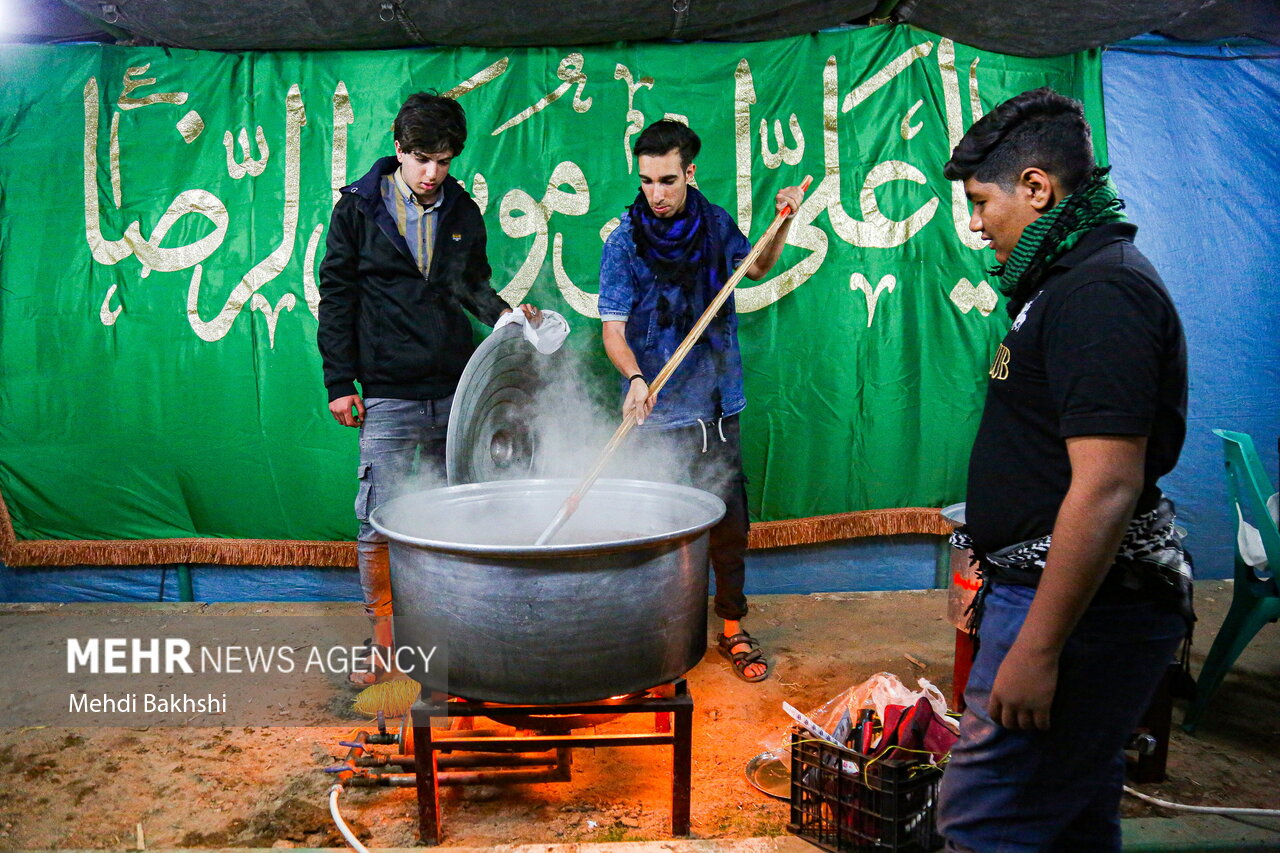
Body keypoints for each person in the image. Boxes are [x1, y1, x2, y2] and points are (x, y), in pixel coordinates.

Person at [936, 87, 1194, 851]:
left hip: (1080, 615)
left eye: (982, 202)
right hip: (1063, 600)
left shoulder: (1100, 291)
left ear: (1037, 187)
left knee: (985, 822)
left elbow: (1109, 483)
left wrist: (1038, 647)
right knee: (1073, 820)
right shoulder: (1066, 278)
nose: (977, 223)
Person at [317, 91, 539, 685]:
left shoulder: (463, 210)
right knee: (379, 519)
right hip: (388, 394)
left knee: (467, 511)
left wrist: (510, 318)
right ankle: (384, 645)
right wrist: (341, 381)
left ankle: (460, 631)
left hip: (458, 389)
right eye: (421, 158)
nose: (432, 173)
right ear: (398, 150)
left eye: (443, 160)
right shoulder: (357, 211)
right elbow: (337, 296)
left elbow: (472, 286)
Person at [597, 119, 804, 683]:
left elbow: (755, 266)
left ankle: (732, 627)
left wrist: (783, 220)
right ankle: (659, 634)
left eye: (667, 180)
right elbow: (612, 330)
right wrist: (636, 378)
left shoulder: (715, 225)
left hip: (717, 406)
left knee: (729, 525)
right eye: (646, 182)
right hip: (654, 409)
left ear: (690, 172)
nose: (655, 194)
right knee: (656, 529)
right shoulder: (624, 239)